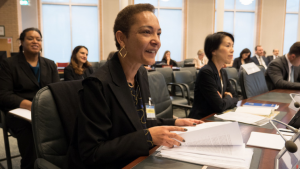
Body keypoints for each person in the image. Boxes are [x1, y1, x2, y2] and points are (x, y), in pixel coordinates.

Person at [67, 4, 203, 168]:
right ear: (122, 38)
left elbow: (145, 120)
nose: (157, 41)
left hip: (138, 160)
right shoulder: (97, 85)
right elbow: (92, 153)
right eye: (147, 32)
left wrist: (176, 122)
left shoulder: (141, 74)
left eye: (158, 33)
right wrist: (147, 138)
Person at [0, 28, 60, 169]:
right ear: (22, 41)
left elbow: (57, 90)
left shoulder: (50, 64)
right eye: (30, 38)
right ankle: (30, 165)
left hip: (45, 110)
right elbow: (3, 94)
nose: (35, 41)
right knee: (31, 130)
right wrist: (29, 105)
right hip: (19, 111)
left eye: (38, 39)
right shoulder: (9, 64)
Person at [188, 32, 238, 119]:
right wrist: (229, 96)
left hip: (217, 118)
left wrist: (224, 99)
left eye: (232, 46)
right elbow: (220, 106)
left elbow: (236, 97)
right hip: (203, 120)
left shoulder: (223, 72)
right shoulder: (206, 72)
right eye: (228, 46)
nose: (232, 50)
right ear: (213, 50)